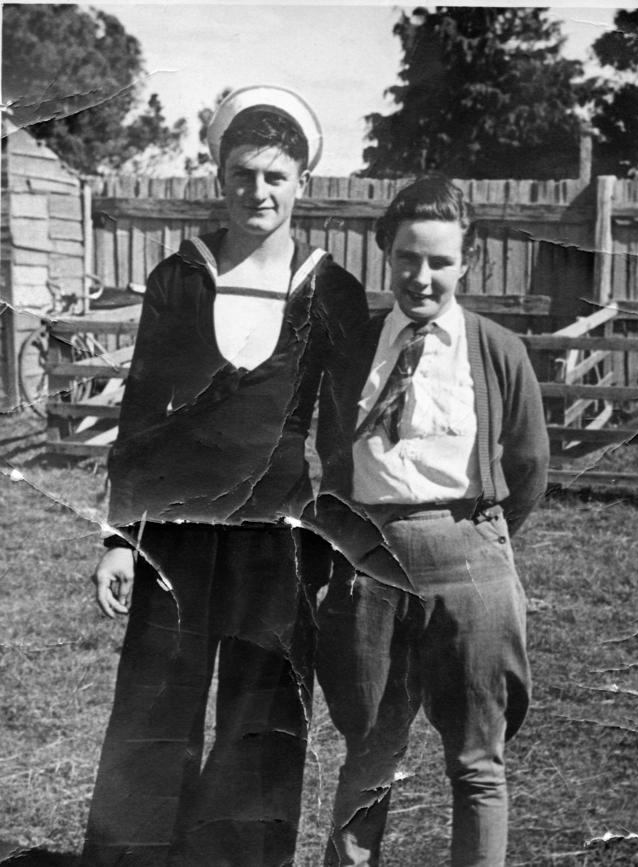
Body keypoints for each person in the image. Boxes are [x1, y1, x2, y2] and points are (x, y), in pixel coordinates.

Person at [81, 85, 368, 867]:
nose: (259, 192)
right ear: (220, 177)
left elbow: (340, 438)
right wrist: (118, 537)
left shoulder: (332, 291)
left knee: (261, 710)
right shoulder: (179, 277)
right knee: (155, 703)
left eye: (276, 176)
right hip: (176, 528)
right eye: (243, 174)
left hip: (275, 533)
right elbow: (140, 412)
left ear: (303, 182)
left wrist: (342, 541)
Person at [310, 175, 549, 867]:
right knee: (370, 753)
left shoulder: (498, 349)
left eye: (440, 261)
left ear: (465, 262)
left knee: (477, 759)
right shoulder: (355, 346)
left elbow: (529, 464)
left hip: (470, 560)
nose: (422, 277)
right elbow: (333, 456)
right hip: (373, 562)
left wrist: (479, 541)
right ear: (386, 254)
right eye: (408, 258)